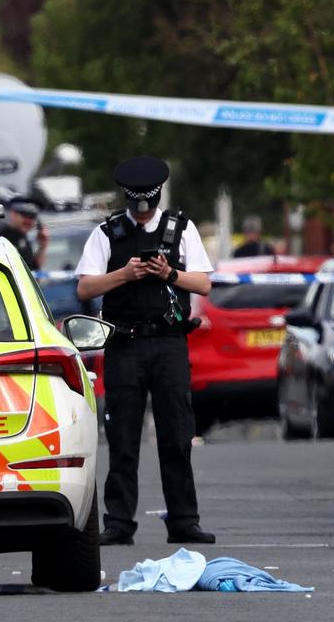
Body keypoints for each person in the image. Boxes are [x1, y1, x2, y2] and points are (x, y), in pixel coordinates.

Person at [75, 156, 216, 546]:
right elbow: (85, 288)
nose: (142, 213)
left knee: (176, 435)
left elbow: (203, 285)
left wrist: (168, 274)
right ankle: (119, 522)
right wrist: (125, 274)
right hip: (124, 345)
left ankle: (184, 520)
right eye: (137, 206)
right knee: (122, 438)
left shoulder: (181, 229)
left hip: (169, 343)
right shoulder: (107, 233)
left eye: (147, 206)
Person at [0, 196, 48, 270]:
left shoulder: (24, 239)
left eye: (32, 217)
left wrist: (43, 246)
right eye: (25, 215)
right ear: (13, 214)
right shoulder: (4, 237)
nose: (29, 221)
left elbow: (34, 269)